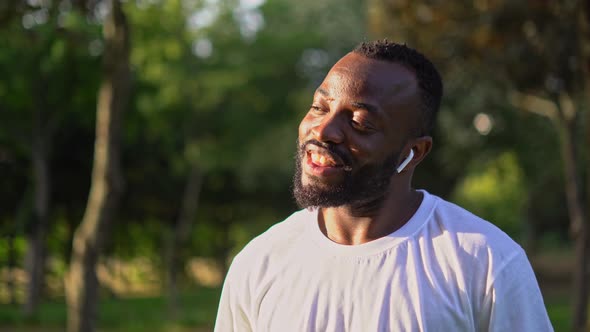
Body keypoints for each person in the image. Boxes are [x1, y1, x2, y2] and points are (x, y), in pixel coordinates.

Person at [214, 40, 553, 331]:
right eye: (319, 107)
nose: (323, 130)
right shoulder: (260, 263)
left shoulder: (486, 262)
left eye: (360, 122)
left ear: (414, 151)